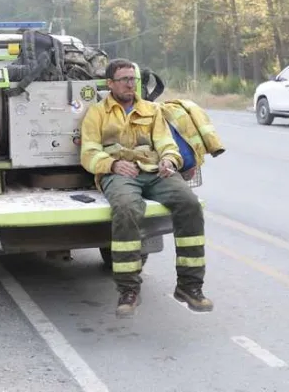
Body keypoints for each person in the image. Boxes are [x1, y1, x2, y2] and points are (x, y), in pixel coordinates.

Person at [80, 58, 213, 318]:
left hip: (155, 171)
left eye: (134, 79)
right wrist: (113, 165)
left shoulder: (152, 110)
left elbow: (166, 143)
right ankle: (128, 290)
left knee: (190, 204)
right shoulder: (97, 112)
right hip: (119, 173)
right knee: (127, 209)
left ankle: (190, 287)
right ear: (110, 84)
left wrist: (168, 160)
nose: (131, 84)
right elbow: (88, 153)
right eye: (125, 80)